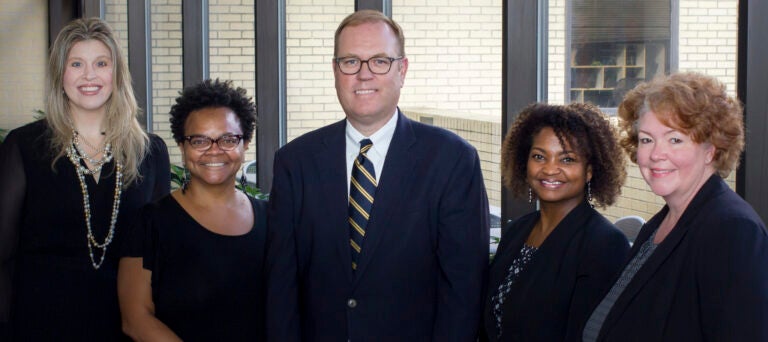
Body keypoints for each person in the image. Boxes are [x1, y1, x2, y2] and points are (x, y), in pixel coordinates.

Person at [265, 9, 490, 341]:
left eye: (380, 61)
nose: (364, 74)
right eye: (350, 61)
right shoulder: (294, 162)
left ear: (402, 69)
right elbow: (280, 285)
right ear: (335, 70)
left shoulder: (453, 160)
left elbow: (464, 289)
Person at [0, 17, 169, 340]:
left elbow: (157, 257)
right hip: (38, 324)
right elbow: (2, 253)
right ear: (59, 74)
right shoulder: (23, 146)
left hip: (122, 326)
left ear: (116, 73)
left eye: (101, 63)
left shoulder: (150, 151)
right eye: (76, 63)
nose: (89, 75)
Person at [582, 72, 768, 341]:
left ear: (711, 150)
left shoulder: (733, 231)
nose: (656, 154)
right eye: (647, 139)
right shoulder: (659, 225)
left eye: (675, 139)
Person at [117, 79, 265, 341]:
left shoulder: (273, 218)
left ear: (246, 143)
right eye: (199, 141)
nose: (214, 151)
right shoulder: (150, 223)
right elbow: (135, 319)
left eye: (228, 139)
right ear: (182, 147)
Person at [480, 103, 630, 341]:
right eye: (539, 156)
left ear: (589, 170)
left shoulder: (605, 245)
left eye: (567, 159)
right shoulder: (517, 231)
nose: (550, 169)